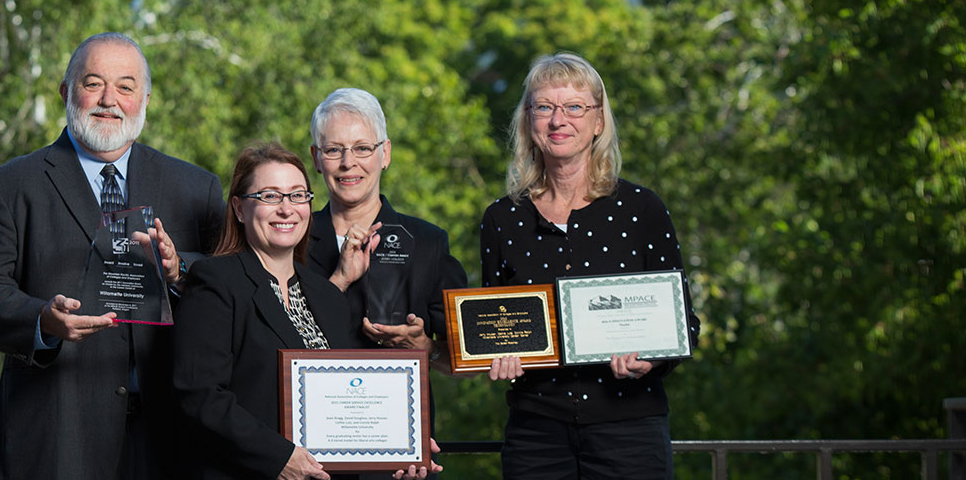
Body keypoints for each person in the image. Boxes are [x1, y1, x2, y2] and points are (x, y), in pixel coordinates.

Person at [0, 32, 224, 480]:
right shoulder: (7, 187)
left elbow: (231, 284)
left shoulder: (197, 188)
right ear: (65, 92)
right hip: (57, 439)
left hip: (172, 441)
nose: (109, 100)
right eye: (93, 83)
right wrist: (41, 320)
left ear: (146, 99)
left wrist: (180, 270)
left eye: (126, 87)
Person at [480, 52, 699, 480]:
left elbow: (683, 325)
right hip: (536, 436)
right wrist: (499, 353)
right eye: (544, 107)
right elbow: (494, 320)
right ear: (528, 120)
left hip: (630, 430)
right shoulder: (501, 219)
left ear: (598, 121)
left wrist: (650, 360)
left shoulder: (643, 209)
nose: (558, 120)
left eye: (574, 107)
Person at [172, 143, 441, 480]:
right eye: (270, 196)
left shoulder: (324, 292)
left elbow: (349, 395)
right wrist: (278, 458)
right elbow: (200, 396)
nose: (287, 209)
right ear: (240, 209)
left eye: (298, 196)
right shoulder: (216, 282)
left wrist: (403, 447)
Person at [304, 88, 467, 370]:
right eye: (333, 150)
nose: (348, 162)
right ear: (317, 158)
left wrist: (425, 347)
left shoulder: (429, 243)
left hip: (399, 412)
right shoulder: (291, 241)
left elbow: (465, 362)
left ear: (385, 154)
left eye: (363, 148)